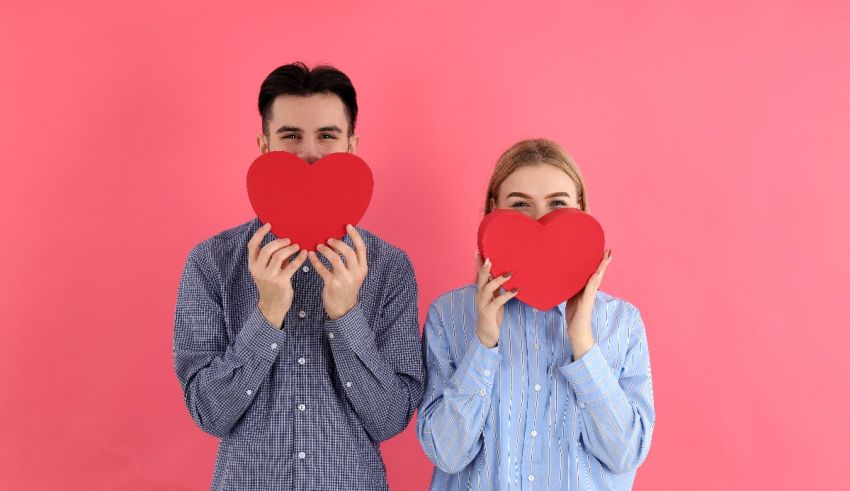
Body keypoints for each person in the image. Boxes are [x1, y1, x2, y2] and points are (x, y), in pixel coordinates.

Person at [173, 62, 423, 490]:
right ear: (264, 146)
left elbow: (390, 419)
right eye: (291, 136)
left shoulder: (390, 268)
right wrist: (267, 312)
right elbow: (209, 413)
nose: (310, 153)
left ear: (352, 145)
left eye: (327, 136)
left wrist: (346, 314)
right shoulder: (210, 262)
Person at [417, 139, 655, 490]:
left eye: (558, 203)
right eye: (520, 205)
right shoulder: (449, 315)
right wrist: (483, 344)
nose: (541, 221)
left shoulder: (622, 322)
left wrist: (583, 344)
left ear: (582, 209)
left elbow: (624, 454)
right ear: (492, 212)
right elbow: (447, 454)